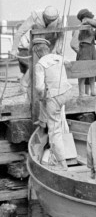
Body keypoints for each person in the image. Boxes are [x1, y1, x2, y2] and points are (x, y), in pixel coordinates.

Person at [31, 37, 73, 170]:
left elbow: (39, 87)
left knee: (54, 131)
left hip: (54, 98)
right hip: (67, 93)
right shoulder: (57, 57)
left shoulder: (40, 64)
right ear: (47, 49)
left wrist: (43, 96)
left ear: (37, 52)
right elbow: (69, 63)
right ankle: (43, 121)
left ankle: (62, 164)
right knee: (48, 106)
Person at [15, 6, 64, 79]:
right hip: (37, 44)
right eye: (48, 20)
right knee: (36, 67)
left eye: (52, 20)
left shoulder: (59, 20)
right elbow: (20, 32)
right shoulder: (35, 16)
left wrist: (57, 49)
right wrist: (13, 49)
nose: (50, 22)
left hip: (51, 44)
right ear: (44, 16)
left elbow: (61, 36)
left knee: (49, 65)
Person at [70, 8, 96, 96]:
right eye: (88, 17)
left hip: (92, 49)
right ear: (84, 18)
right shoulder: (79, 28)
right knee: (83, 71)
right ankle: (82, 93)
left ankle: (92, 91)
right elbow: (73, 44)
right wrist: (79, 52)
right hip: (84, 48)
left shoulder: (92, 27)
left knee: (93, 70)